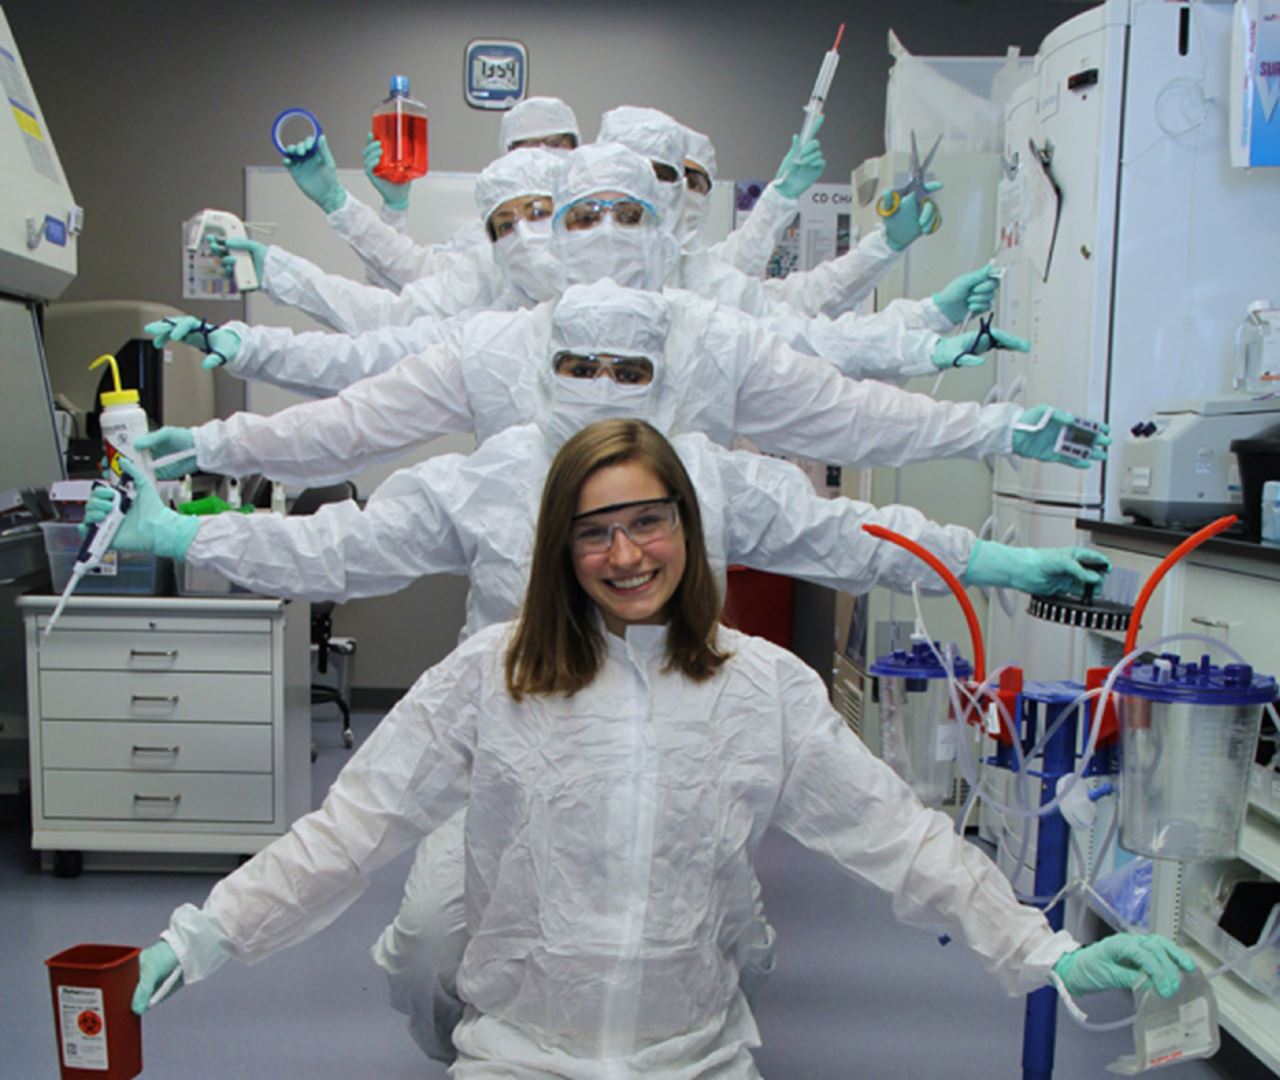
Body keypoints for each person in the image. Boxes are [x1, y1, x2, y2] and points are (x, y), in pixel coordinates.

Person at [123, 417, 1196, 1077]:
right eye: (593, 530)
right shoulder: (489, 676)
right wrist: (204, 934)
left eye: (647, 520)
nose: (625, 553)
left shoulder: (760, 686)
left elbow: (900, 840)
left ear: (688, 525)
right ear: (557, 547)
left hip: (694, 1059)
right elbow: (348, 832)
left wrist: (1042, 948)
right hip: (519, 1058)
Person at [147, 149, 564, 398]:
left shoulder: (619, 306)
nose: (525, 234)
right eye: (507, 223)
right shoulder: (492, 311)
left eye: (541, 212)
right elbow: (384, 332)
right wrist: (259, 324)